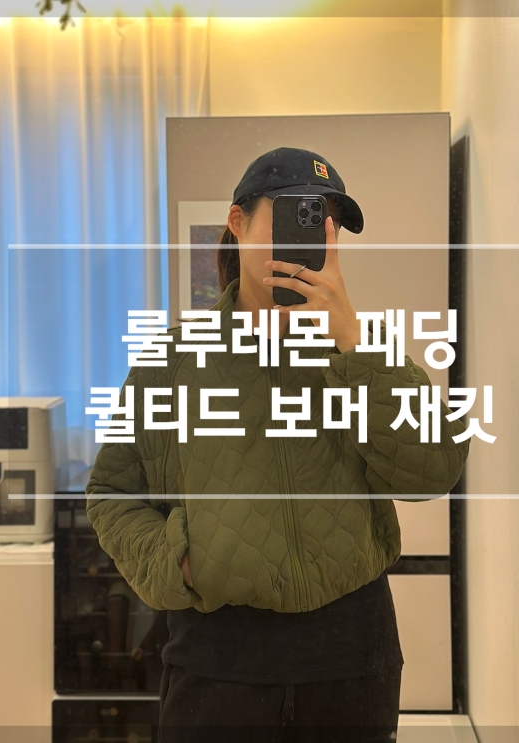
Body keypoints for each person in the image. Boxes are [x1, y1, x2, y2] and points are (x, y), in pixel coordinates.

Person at [85, 147, 471, 743]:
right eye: (294, 216)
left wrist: (354, 341)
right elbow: (112, 494)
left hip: (351, 659)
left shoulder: (360, 352)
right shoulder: (171, 362)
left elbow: (434, 470)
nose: (310, 238)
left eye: (324, 224)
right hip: (216, 662)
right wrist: (177, 562)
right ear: (237, 223)